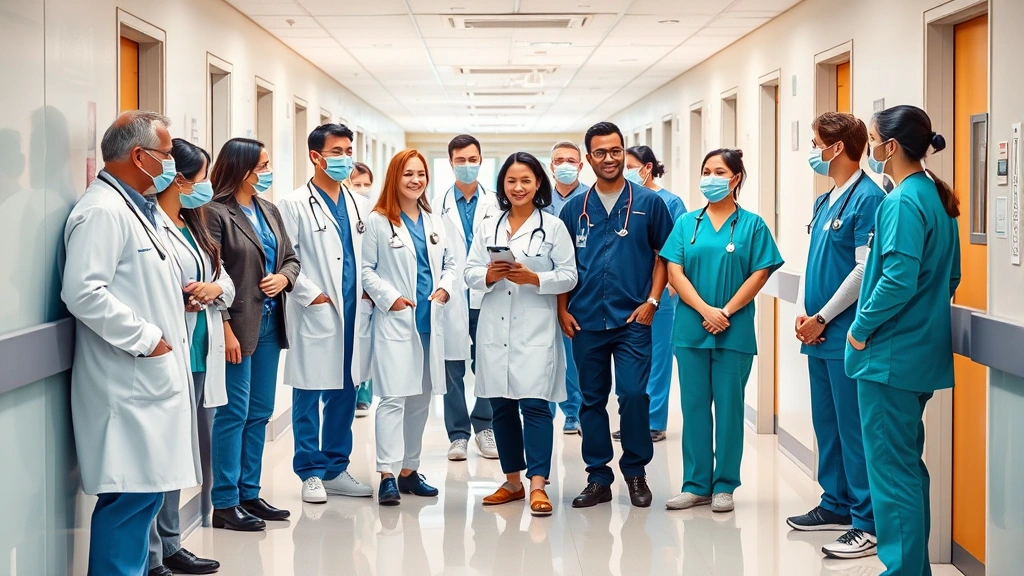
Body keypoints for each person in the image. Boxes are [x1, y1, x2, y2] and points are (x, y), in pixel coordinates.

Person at [61, 111, 200, 576]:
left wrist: (173, 307)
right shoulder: (102, 211)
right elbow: (83, 291)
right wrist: (150, 339)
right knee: (128, 502)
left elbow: (135, 283)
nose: (170, 167)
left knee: (143, 500)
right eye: (165, 156)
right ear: (140, 157)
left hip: (147, 385)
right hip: (127, 386)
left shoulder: (135, 209)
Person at [847, 105, 961, 576]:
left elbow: (896, 279)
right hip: (917, 356)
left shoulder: (899, 202)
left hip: (888, 360)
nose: (870, 149)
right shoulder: (934, 196)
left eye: (873, 139)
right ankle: (913, 567)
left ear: (889, 147)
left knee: (892, 476)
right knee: (907, 470)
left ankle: (902, 570)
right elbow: (949, 277)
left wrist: (859, 329)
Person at [557, 121, 675, 509]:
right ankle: (598, 477)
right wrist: (562, 309)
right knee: (591, 401)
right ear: (588, 158)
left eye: (616, 151)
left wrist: (652, 302)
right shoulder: (575, 208)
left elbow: (665, 256)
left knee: (634, 396)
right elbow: (563, 265)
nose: (610, 159)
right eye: (601, 152)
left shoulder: (648, 204)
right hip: (586, 319)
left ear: (624, 153)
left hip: (631, 321)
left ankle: (636, 472)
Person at [661, 148, 783, 514]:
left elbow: (760, 273)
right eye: (706, 170)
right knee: (694, 408)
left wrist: (725, 312)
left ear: (735, 179)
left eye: (718, 171)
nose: (710, 178)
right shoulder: (687, 223)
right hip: (691, 329)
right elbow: (674, 271)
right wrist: (704, 310)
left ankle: (725, 484)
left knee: (730, 409)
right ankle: (695, 484)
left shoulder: (752, 225)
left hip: (734, 329)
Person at [787, 113, 884, 559]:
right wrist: (805, 312)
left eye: (815, 143)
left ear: (838, 147)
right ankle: (835, 503)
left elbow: (864, 270)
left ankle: (865, 521)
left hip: (842, 333)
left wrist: (823, 317)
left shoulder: (868, 198)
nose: (812, 150)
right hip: (818, 331)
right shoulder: (826, 200)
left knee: (852, 427)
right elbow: (817, 260)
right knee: (827, 425)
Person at [464, 152, 578, 516]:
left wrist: (535, 278)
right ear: (503, 186)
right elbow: (468, 272)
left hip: (535, 328)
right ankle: (512, 481)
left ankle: (538, 485)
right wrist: (488, 275)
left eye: (525, 180)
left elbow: (569, 275)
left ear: (538, 184)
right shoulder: (488, 226)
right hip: (494, 327)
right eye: (511, 181)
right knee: (501, 407)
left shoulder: (554, 226)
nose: (518, 187)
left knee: (535, 405)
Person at [207, 138, 300, 530]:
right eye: (262, 166)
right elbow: (213, 273)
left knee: (260, 412)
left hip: (269, 324)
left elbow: (292, 259)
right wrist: (225, 326)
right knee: (233, 414)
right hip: (236, 326)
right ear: (241, 168)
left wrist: (283, 277)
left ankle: (249, 492)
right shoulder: (214, 212)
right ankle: (225, 503)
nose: (267, 172)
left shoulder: (269, 209)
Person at [279, 124, 374, 504]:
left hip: (355, 311)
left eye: (348, 150)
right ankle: (310, 471)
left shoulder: (359, 203)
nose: (345, 158)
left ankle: (336, 467)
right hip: (318, 310)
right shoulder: (293, 203)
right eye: (337, 152)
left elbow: (366, 256)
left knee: (346, 390)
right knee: (309, 390)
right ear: (316, 157)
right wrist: (312, 295)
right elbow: (287, 258)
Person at [149, 139, 231, 576]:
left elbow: (227, 283)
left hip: (200, 351)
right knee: (161, 459)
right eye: (202, 179)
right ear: (180, 179)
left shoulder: (194, 223)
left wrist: (215, 290)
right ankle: (155, 554)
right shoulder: (149, 224)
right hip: (169, 353)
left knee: (184, 455)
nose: (206, 187)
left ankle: (171, 542)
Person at [362, 149, 455, 506]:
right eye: (408, 174)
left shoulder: (433, 220)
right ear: (394, 178)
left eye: (421, 174)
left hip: (430, 321)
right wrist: (392, 298)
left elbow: (449, 263)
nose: (416, 180)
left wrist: (445, 287)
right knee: (392, 399)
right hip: (396, 321)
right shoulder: (379, 221)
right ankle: (387, 473)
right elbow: (367, 269)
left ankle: (409, 471)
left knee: (420, 402)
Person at [613, 145, 688, 444]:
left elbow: (678, 250)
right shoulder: (625, 200)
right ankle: (633, 421)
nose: (624, 171)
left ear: (646, 167)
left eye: (629, 165)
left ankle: (655, 421)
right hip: (629, 293)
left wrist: (669, 287)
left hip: (661, 296)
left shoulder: (670, 202)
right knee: (632, 360)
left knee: (658, 361)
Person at [433, 134, 500, 461]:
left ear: (481, 161)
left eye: (473, 159)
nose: (467, 166)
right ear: (450, 163)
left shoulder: (498, 203)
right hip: (451, 296)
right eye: (461, 160)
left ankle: (484, 426)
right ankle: (457, 434)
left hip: (488, 293)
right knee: (451, 367)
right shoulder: (433, 205)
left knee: (488, 363)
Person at [542, 141, 589, 434]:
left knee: (574, 356)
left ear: (581, 166)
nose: (565, 165)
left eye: (571, 160)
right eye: (559, 160)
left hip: (580, 286)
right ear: (551, 166)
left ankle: (573, 411)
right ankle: (543, 410)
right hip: (544, 284)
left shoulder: (590, 198)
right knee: (545, 352)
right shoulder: (540, 201)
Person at [345, 161, 376, 417]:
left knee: (366, 344)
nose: (363, 189)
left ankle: (364, 394)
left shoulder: (375, 213)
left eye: (367, 184)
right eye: (357, 184)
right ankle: (351, 394)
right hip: (347, 291)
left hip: (369, 292)